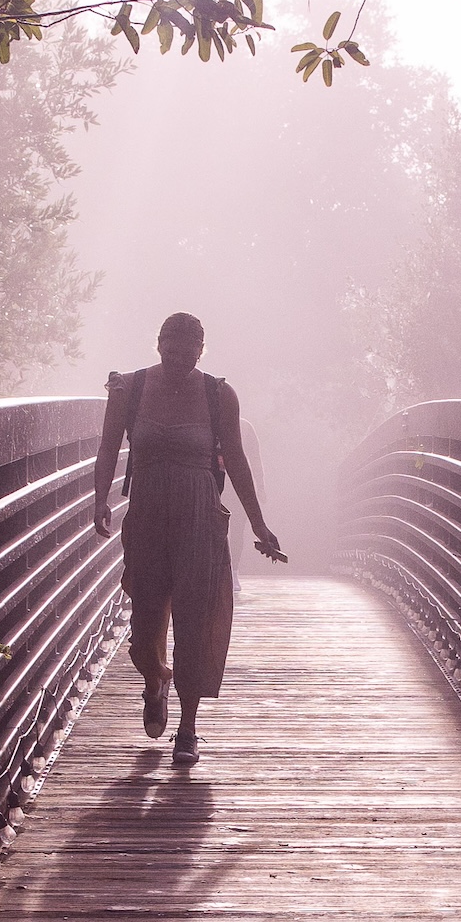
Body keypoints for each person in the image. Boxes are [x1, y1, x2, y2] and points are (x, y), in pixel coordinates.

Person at [92, 311, 286, 761]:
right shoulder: (130, 389)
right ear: (157, 344)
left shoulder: (219, 395)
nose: (177, 359)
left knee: (195, 621)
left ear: (202, 350)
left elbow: (235, 460)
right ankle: (155, 678)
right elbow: (106, 447)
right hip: (147, 518)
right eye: (169, 349)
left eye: (187, 352)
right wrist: (99, 499)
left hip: (199, 518)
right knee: (143, 630)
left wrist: (258, 523)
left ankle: (188, 728)